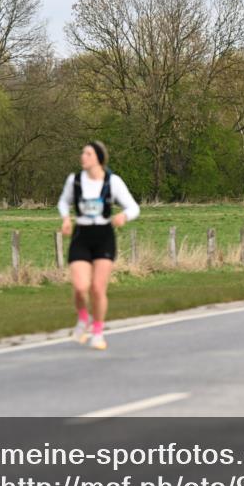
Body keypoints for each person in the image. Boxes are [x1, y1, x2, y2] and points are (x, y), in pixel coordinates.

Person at [58, 141, 140, 350]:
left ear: (98, 159)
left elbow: (133, 207)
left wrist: (123, 216)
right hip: (81, 235)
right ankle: (83, 318)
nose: (82, 157)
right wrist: (66, 218)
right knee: (79, 287)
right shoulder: (74, 180)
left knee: (97, 288)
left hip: (103, 234)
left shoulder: (113, 182)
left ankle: (97, 332)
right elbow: (63, 202)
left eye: (87, 153)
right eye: (82, 152)